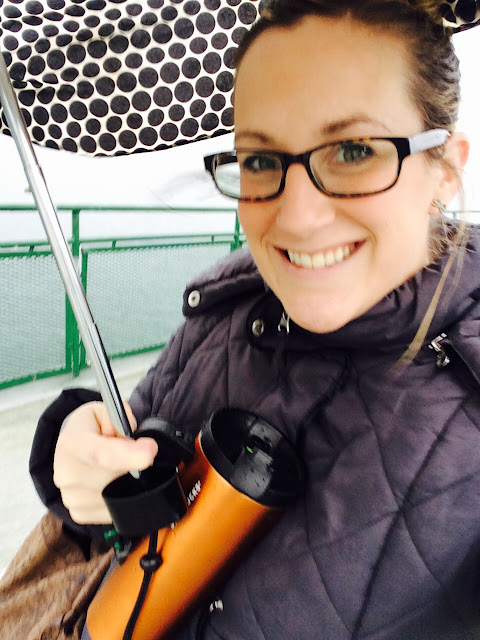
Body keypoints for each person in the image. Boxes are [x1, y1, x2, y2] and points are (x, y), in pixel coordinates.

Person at [28, 0, 480, 638]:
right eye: (261, 161)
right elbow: (122, 484)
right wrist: (79, 452)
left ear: (447, 167)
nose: (297, 217)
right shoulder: (223, 314)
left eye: (354, 150)